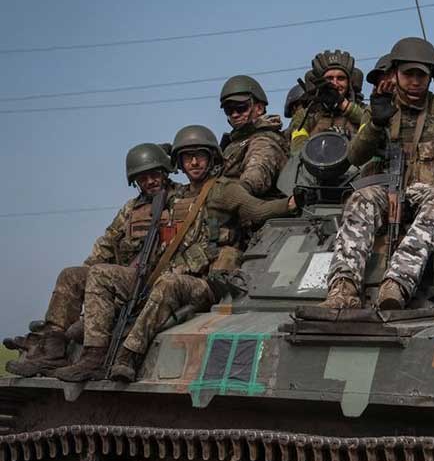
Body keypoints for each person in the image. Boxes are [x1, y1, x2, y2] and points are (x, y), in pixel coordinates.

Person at [52, 126, 299, 383]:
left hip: (203, 284)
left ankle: (129, 355)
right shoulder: (172, 197)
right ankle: (93, 355)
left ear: (211, 157)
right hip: (165, 275)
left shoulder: (223, 190)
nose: (193, 162)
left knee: (169, 284)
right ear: (179, 163)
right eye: (187, 157)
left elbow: (257, 210)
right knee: (101, 274)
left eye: (200, 155)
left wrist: (290, 203)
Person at [6, 143, 183, 377]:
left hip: (157, 280)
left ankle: (94, 357)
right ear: (135, 182)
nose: (150, 181)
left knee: (100, 273)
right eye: (142, 178)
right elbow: (106, 245)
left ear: (165, 171)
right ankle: (50, 350)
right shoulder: (130, 209)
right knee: (71, 275)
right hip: (123, 278)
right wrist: (87, 282)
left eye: (154, 175)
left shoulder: (182, 199)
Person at [323, 37, 434, 310]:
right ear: (395, 74)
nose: (415, 81)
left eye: (421, 75)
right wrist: (376, 122)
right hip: (388, 192)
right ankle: (343, 288)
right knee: (361, 197)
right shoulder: (382, 106)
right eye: (408, 74)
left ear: (431, 77)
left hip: (428, 193)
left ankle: (398, 282)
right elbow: (355, 156)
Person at [219, 75, 289, 197]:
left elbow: (256, 174)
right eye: (229, 110)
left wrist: (231, 196)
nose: (235, 115)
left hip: (255, 210)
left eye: (241, 108)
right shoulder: (234, 144)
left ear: (259, 108)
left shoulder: (264, 140)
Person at [286, 50, 368, 154]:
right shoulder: (306, 116)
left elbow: (372, 130)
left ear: (349, 83)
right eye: (329, 78)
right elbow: (297, 153)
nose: (335, 83)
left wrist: (343, 104)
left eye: (341, 78)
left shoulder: (365, 111)